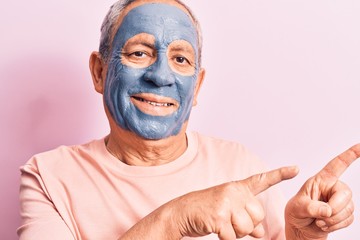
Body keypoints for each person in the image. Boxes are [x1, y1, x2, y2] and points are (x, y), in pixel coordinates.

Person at [18, 0, 359, 239]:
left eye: (180, 59)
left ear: (196, 86)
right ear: (99, 71)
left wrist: (301, 237)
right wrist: (176, 217)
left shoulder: (240, 165)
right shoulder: (50, 176)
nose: (161, 76)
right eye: (139, 53)